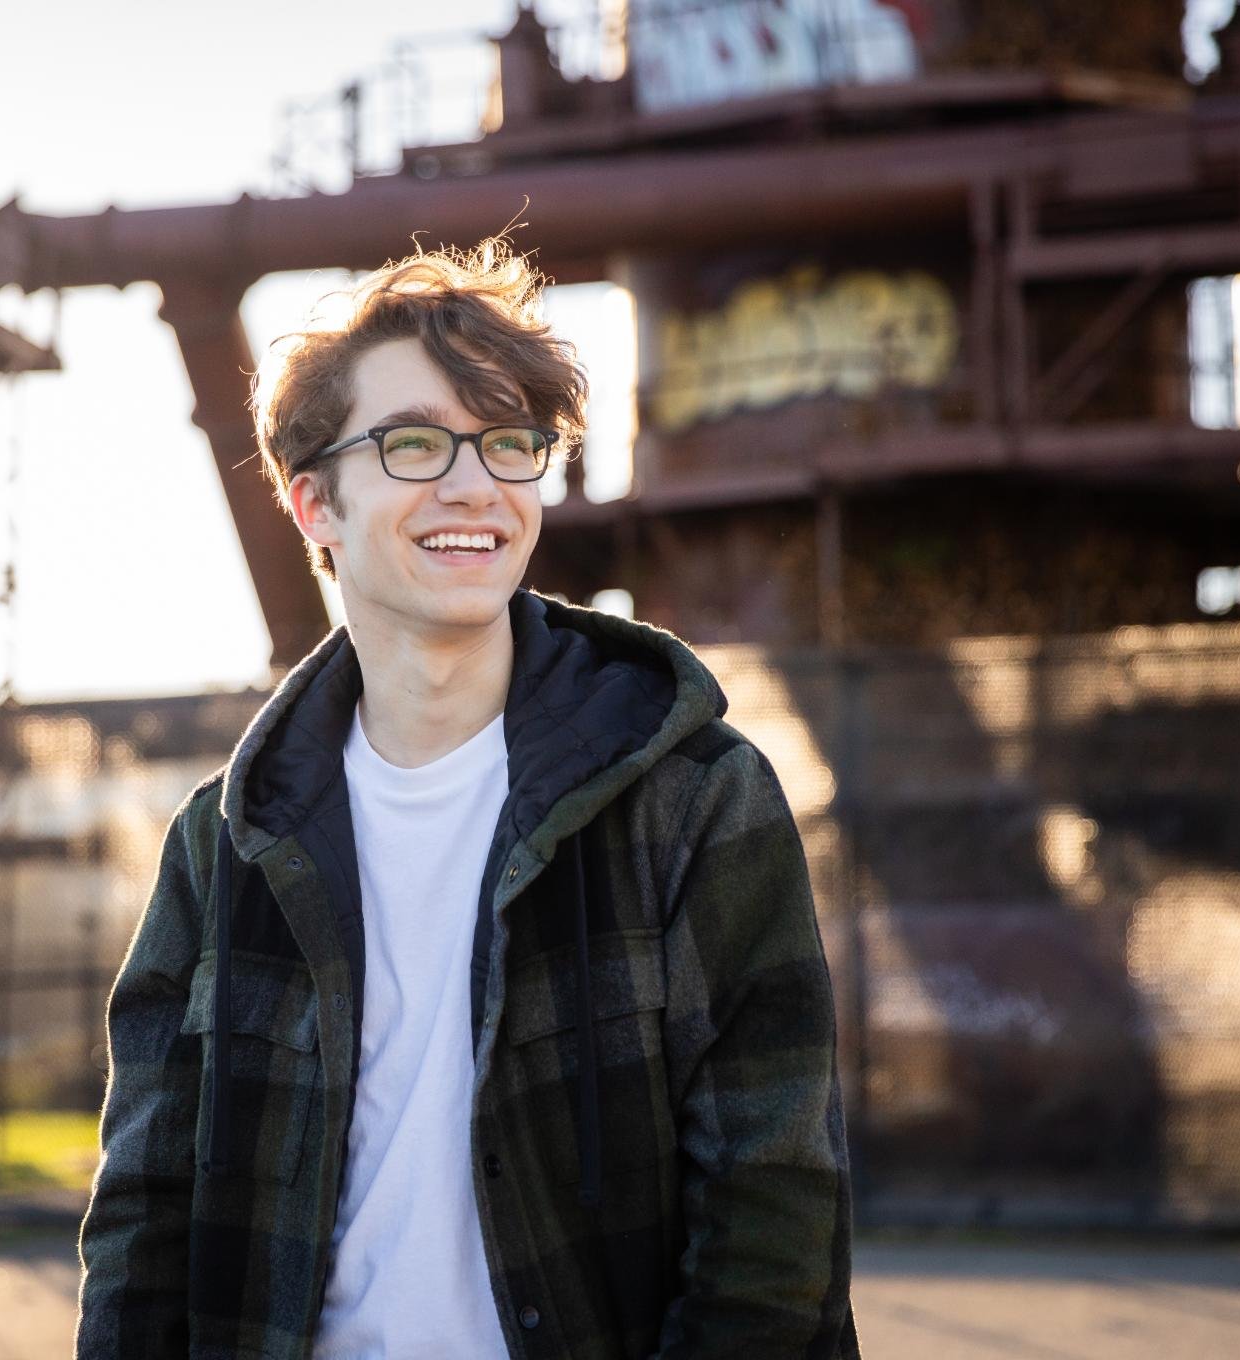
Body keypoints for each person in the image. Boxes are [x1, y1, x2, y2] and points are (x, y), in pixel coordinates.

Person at [76, 239, 860, 1359]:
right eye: (412, 444)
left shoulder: (692, 797)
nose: (473, 483)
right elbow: (145, 1212)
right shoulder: (225, 842)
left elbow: (774, 1200)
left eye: (507, 441)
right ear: (314, 506)